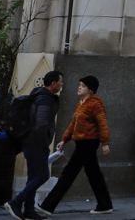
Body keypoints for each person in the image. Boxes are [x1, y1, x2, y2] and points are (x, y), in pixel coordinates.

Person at [38, 76, 113, 216]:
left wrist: (105, 143)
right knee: (94, 174)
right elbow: (73, 124)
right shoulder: (81, 103)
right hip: (81, 142)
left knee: (69, 173)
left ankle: (48, 206)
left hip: (89, 143)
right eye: (79, 85)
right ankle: (105, 204)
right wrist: (64, 140)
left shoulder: (95, 104)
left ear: (90, 90)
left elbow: (103, 123)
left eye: (83, 86)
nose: (79, 87)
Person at [4, 70, 63, 220]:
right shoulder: (45, 99)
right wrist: (43, 142)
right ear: (53, 83)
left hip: (29, 141)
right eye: (60, 81)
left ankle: (29, 211)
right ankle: (16, 202)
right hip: (36, 142)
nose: (62, 84)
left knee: (32, 177)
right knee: (43, 175)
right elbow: (41, 123)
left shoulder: (37, 94)